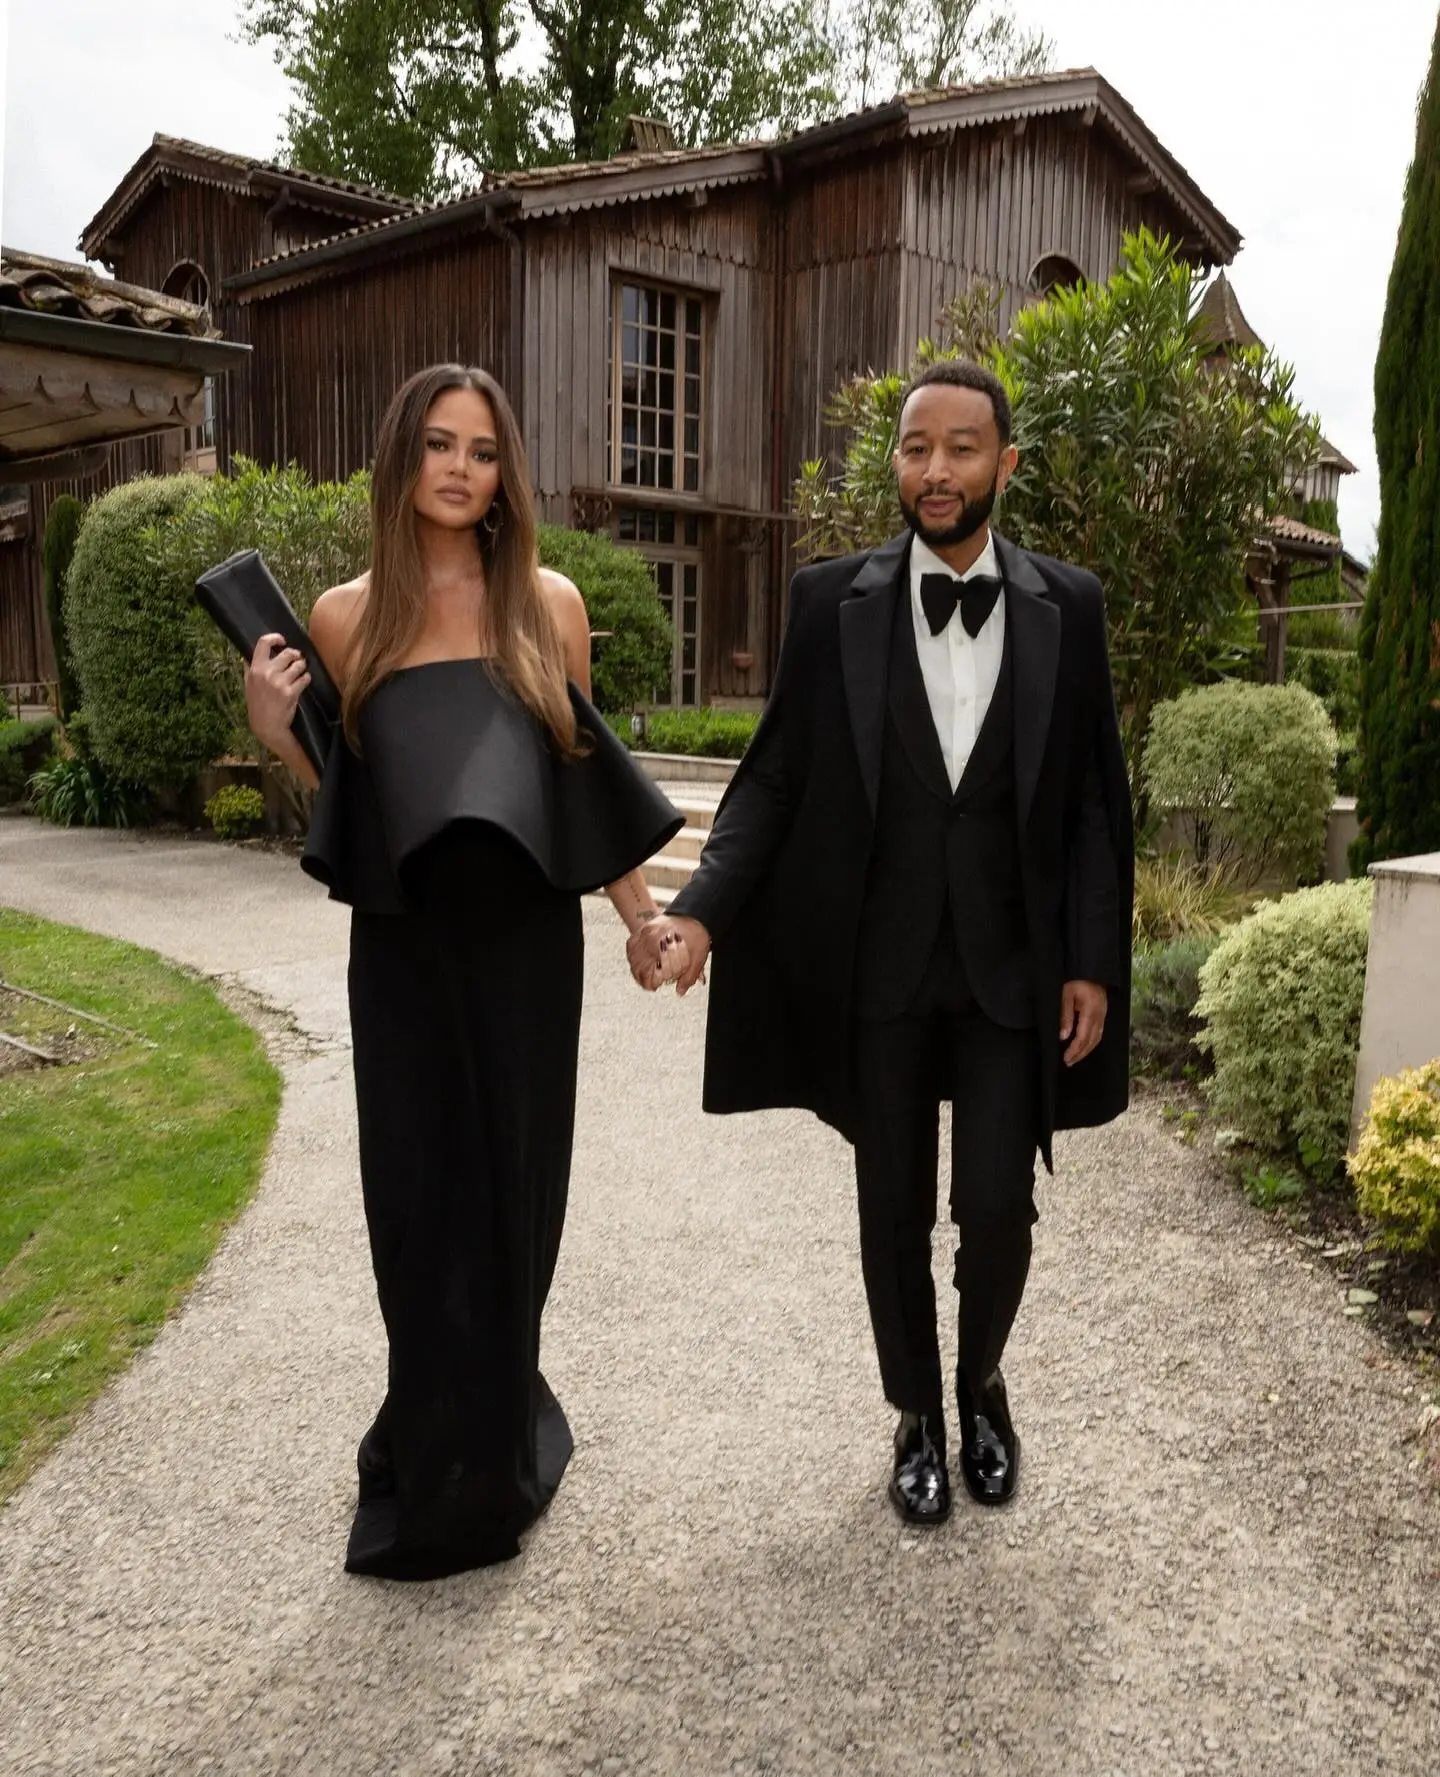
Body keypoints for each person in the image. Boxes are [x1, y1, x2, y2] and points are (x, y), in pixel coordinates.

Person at [630, 360, 1133, 1524]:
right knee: (889, 1210)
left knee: (998, 1209)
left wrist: (1092, 956)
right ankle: (915, 1411)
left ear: (1005, 465)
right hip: (881, 971)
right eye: (917, 448)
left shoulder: (1074, 604)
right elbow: (773, 783)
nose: (937, 470)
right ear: (896, 465)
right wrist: (699, 911)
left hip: (1014, 974)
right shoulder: (829, 603)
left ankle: (983, 1384)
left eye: (963, 449)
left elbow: (1099, 801)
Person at [245, 363, 688, 1580]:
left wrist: (642, 920)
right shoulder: (345, 619)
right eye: (438, 445)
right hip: (403, 954)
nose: (458, 468)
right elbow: (348, 808)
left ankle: (491, 1440)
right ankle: (432, 1435)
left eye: (482, 451)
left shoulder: (548, 605)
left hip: (526, 951)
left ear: (506, 474)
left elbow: (577, 779)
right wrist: (277, 731)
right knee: (416, 1195)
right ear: (403, 460)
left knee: (516, 1196)